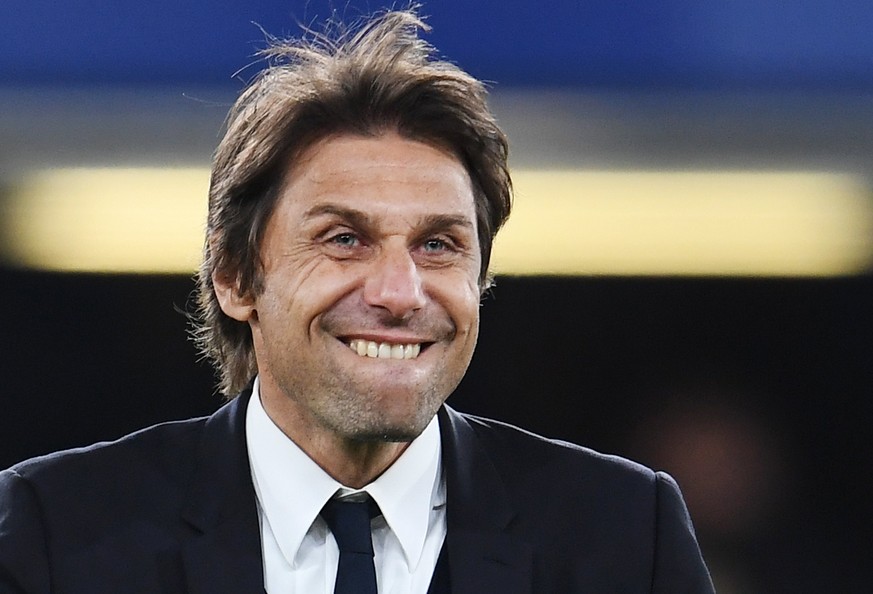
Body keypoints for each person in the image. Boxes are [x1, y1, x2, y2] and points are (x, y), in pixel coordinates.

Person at [0, 9, 715, 593]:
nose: (400, 294)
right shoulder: (54, 531)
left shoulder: (622, 534)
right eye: (344, 239)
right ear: (234, 278)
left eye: (438, 245)